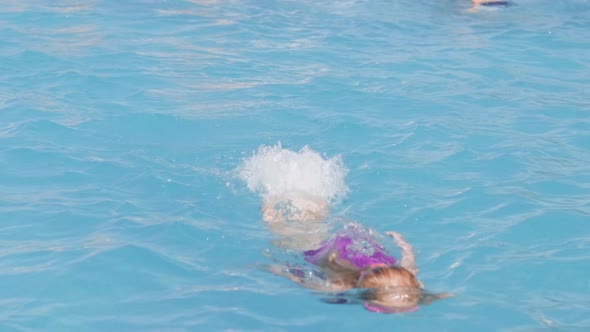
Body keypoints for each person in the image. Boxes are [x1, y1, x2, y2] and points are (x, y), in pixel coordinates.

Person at [266, 221, 451, 313]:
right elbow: (408, 258)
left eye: (371, 271)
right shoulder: (403, 273)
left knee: (292, 234)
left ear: (361, 281)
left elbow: (302, 280)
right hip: (349, 243)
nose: (378, 265)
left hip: (330, 252)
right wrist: (401, 242)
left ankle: (275, 220)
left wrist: (279, 270)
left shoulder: (340, 285)